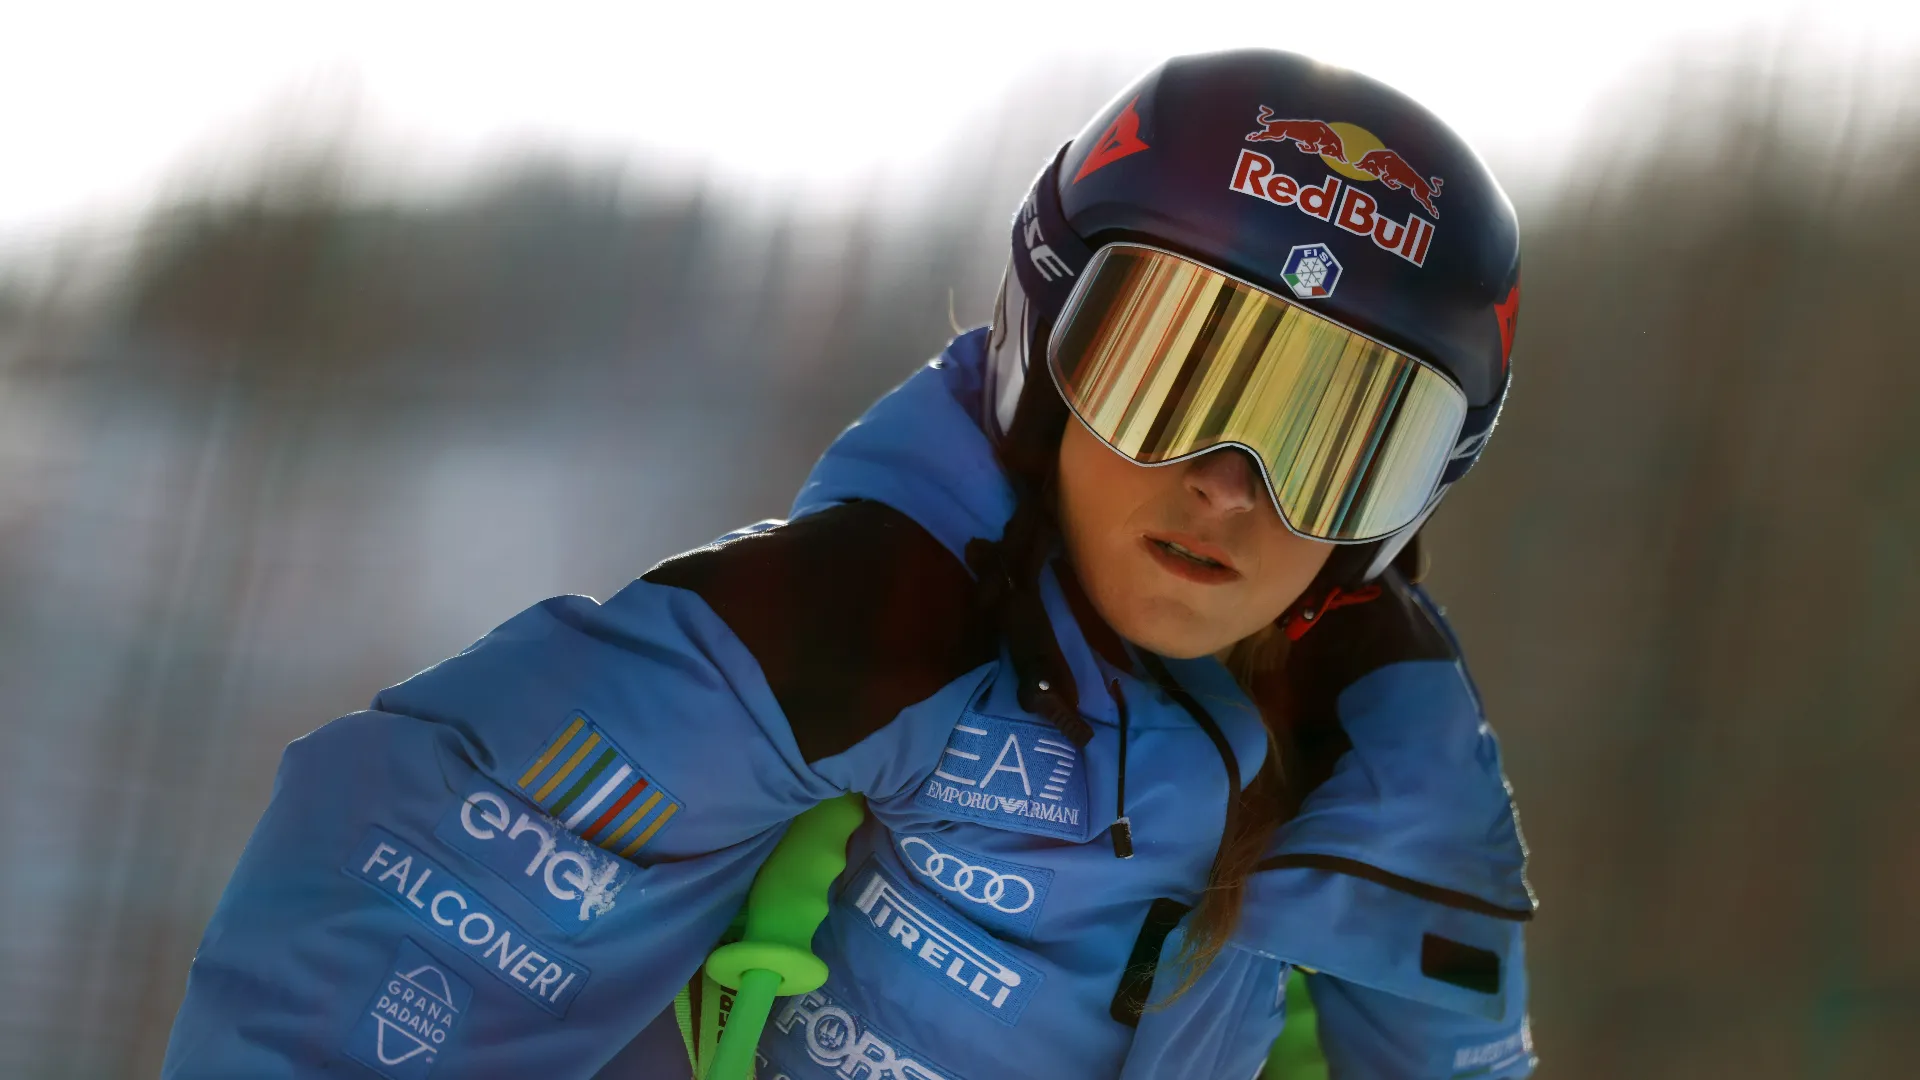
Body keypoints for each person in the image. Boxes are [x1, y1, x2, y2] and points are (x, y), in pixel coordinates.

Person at [162, 48, 1536, 1080]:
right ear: (1048, 361)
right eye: (1173, 381)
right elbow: (393, 905)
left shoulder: (1391, 770)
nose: (1228, 486)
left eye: (1331, 445)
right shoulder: (850, 632)